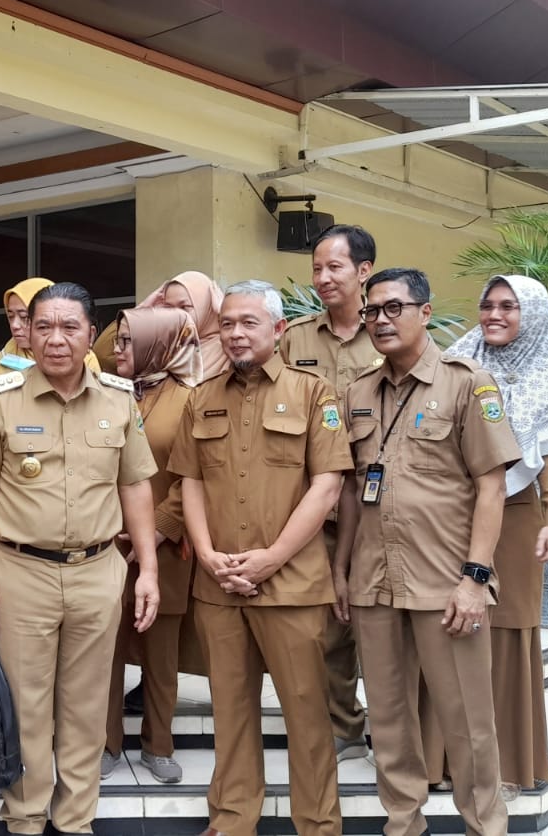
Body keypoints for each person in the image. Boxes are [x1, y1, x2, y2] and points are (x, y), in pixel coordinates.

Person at [0, 281, 162, 836]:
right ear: (26, 332)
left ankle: (75, 820)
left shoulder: (119, 399)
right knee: (25, 704)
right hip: (21, 572)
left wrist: (147, 569)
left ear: (91, 335)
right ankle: (26, 817)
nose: (55, 339)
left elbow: (135, 486)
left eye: (70, 327)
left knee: (87, 704)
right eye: (43, 326)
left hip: (98, 571)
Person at [334, 268, 520, 836]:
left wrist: (475, 578)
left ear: (425, 312)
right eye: (372, 311)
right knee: (389, 720)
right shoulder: (358, 392)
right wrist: (342, 570)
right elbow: (351, 489)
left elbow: (492, 487)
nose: (381, 320)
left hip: (445, 582)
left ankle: (485, 826)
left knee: (467, 720)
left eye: (394, 308)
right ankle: (403, 823)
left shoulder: (467, 384)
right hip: (374, 580)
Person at [170, 280, 352, 836]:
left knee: (306, 713)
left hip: (292, 585)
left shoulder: (314, 393)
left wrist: (271, 558)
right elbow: (190, 483)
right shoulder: (201, 397)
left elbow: (327, 486)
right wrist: (206, 553)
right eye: (227, 323)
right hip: (218, 585)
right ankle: (232, 819)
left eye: (248, 322)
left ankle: (317, 825)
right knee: (230, 710)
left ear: (277, 328)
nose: (235, 333)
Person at [431, 274, 548, 799]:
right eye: (488, 304)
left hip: (513, 517)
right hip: (451, 513)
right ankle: (440, 761)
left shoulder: (544, 371)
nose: (494, 314)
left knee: (507, 634)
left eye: (508, 306)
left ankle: (505, 767)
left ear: (530, 315)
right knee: (445, 626)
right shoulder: (457, 361)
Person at [279, 224, 380, 763]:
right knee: (327, 624)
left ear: (364, 271)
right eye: (316, 268)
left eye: (334, 267)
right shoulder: (295, 338)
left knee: (382, 623)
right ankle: (343, 726)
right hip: (315, 505)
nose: (322, 278)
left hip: (377, 504)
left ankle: (396, 729)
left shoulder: (389, 330)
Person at [101, 306, 199, 785]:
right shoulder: (104, 392)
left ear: (157, 346)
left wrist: (157, 528)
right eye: (118, 340)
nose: (117, 350)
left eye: (128, 341)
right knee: (105, 650)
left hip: (163, 548)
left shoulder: (190, 399)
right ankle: (106, 742)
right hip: (103, 543)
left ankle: (158, 745)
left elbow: (196, 477)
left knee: (161, 655)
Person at [94, 270, 229, 381]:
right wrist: (140, 311)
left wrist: (225, 315)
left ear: (207, 308)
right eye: (169, 307)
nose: (176, 315)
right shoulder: (162, 346)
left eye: (185, 307)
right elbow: (104, 355)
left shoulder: (227, 348)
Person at [0, 276, 99, 377]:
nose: (14, 325)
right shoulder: (4, 358)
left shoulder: (85, 359)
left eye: (24, 317)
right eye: (10, 316)